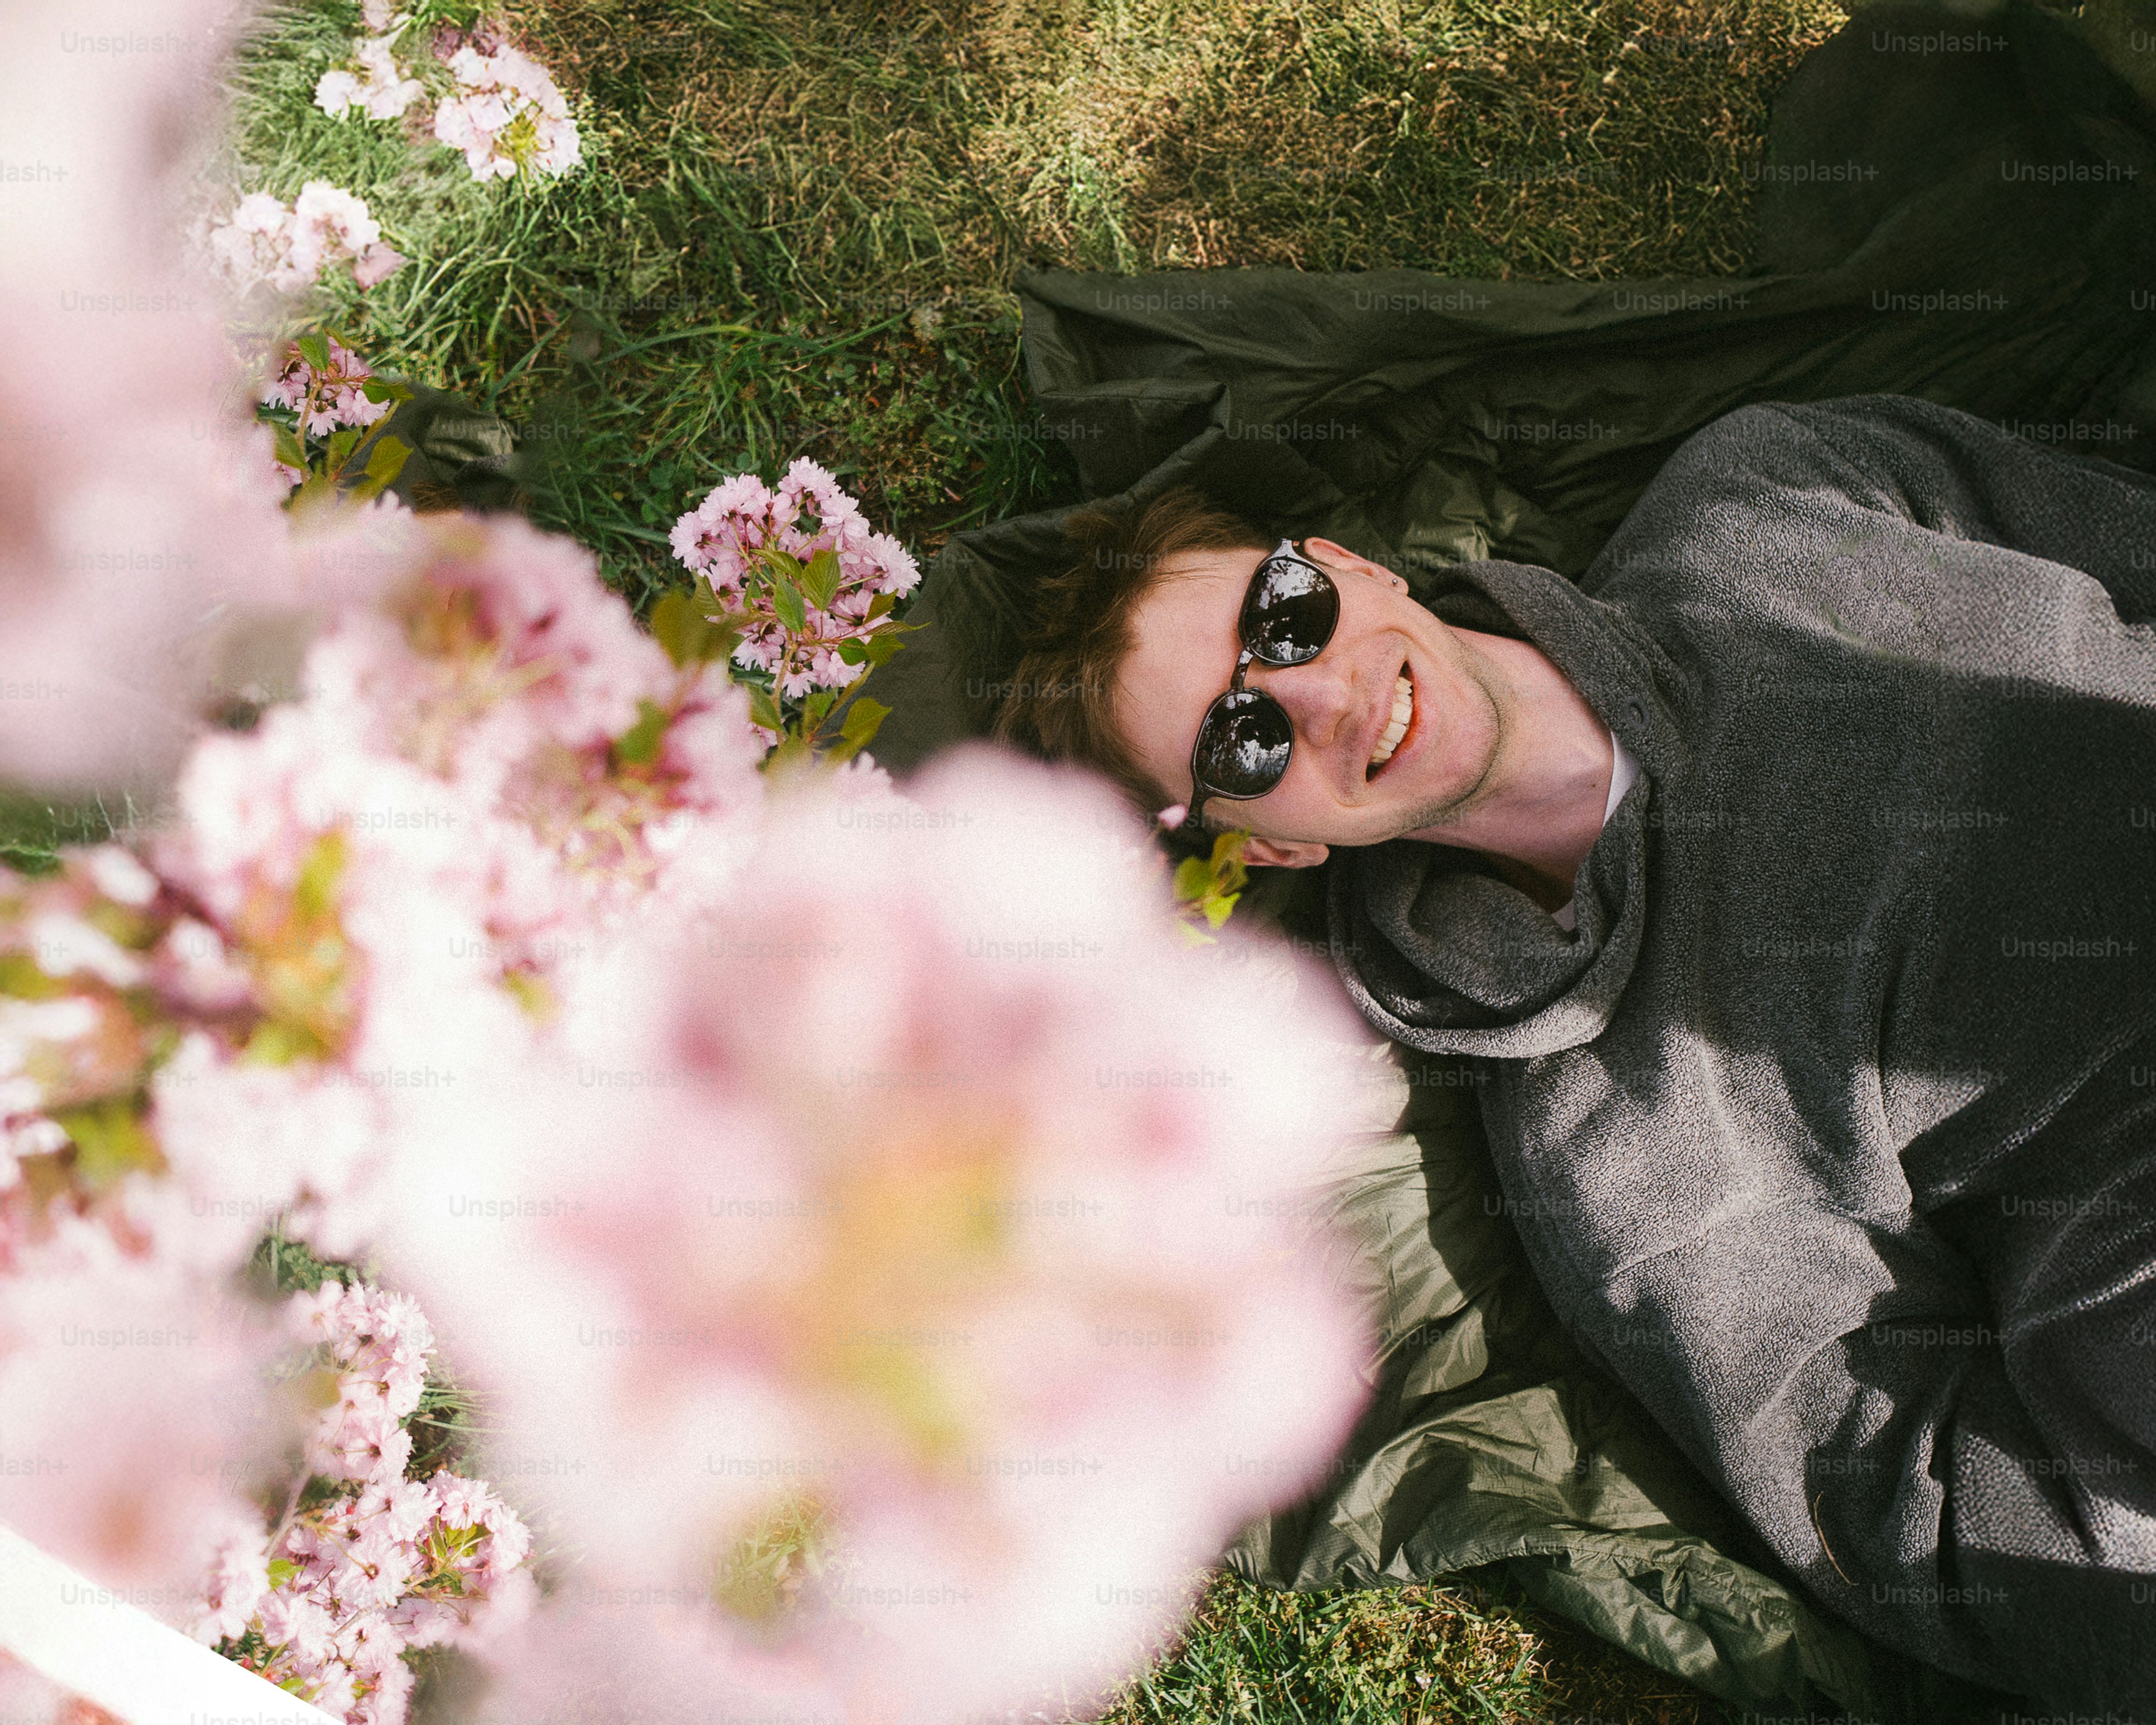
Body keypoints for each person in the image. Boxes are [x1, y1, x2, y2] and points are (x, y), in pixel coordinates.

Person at [992, 392, 2156, 1714]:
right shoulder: (1606, 1138)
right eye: (1239, 738)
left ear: (1350, 566)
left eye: (1282, 617)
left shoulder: (1772, 494)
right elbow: (1913, 1515)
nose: (1315, 691)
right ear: (1271, 844)